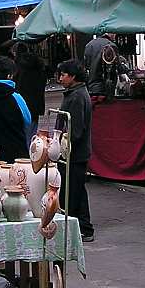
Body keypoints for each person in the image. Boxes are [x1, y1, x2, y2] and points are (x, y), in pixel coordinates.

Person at [55, 59, 94, 242]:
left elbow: (76, 131)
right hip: (72, 151)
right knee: (77, 190)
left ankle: (81, 228)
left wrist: (60, 144)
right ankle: (84, 228)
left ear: (73, 76)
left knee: (73, 191)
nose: (60, 78)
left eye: (63, 74)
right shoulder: (74, 93)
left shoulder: (78, 96)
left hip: (74, 152)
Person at [12, 42, 48, 139]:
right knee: (31, 134)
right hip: (36, 105)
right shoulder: (39, 65)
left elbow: (15, 86)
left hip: (21, 104)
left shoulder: (18, 67)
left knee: (21, 135)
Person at [83, 34, 130, 102]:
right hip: (106, 89)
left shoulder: (89, 45)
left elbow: (86, 65)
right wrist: (126, 69)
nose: (115, 35)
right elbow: (117, 67)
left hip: (91, 87)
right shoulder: (111, 45)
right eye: (114, 33)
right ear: (109, 33)